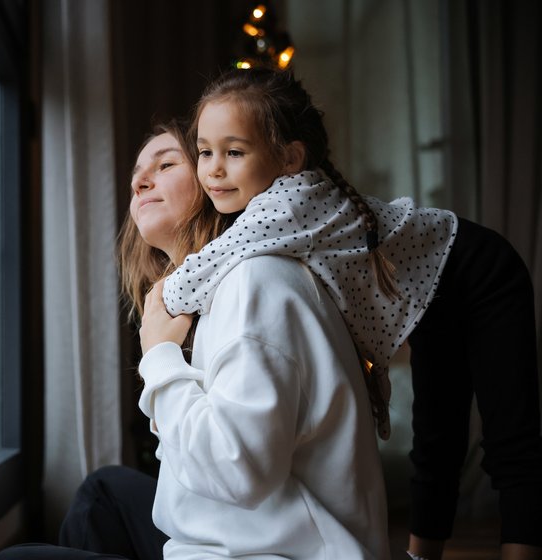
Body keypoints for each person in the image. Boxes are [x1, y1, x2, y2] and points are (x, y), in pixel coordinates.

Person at [162, 65, 542, 560]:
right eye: (204, 152)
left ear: (289, 158)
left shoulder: (288, 203)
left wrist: (159, 311)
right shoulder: (273, 206)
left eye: (233, 153)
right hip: (432, 288)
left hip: (480, 274)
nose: (212, 169)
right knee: (437, 431)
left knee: (508, 439)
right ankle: (419, 556)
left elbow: (194, 279)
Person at [0, 122, 391, 559]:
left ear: (213, 183)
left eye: (166, 165)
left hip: (275, 550)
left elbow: (236, 471)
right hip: (239, 531)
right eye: (136, 178)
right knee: (103, 490)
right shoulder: (213, 293)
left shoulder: (252, 285)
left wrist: (161, 358)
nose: (141, 181)